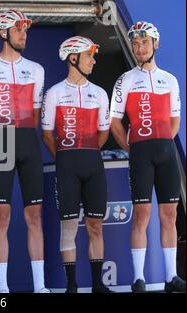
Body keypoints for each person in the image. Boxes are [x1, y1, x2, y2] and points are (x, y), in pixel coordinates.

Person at [0, 9, 49, 293]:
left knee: (34, 217)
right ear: (3, 33)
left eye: (25, 30)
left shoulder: (37, 69)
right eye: (19, 29)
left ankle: (39, 286)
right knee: (1, 216)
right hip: (0, 142)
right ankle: (2, 288)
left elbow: (37, 115)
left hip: (28, 140)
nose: (24, 34)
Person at [110, 21, 185, 293]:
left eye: (144, 42)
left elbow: (174, 121)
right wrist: (133, 149)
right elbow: (115, 122)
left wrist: (161, 140)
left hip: (166, 152)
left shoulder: (171, 79)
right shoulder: (125, 80)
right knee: (141, 215)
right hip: (140, 152)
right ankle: (138, 278)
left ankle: (171, 277)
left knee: (170, 215)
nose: (139, 48)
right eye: (135, 43)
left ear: (156, 44)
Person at [41, 36, 113, 293]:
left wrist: (87, 151)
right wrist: (64, 156)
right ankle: (72, 286)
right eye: (89, 56)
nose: (93, 61)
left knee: (95, 224)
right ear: (73, 58)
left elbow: (103, 132)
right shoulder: (54, 93)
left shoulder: (101, 93)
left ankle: (97, 285)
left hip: (93, 162)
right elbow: (47, 134)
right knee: (69, 226)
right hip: (67, 164)